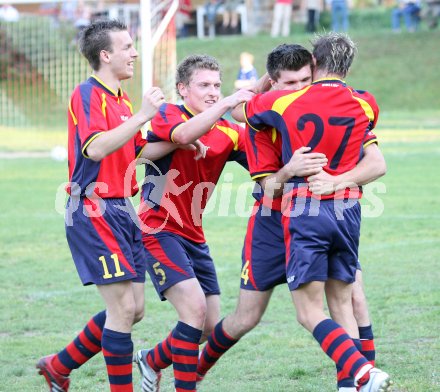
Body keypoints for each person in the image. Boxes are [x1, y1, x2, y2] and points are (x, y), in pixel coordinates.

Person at [196, 43, 386, 392]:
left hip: (318, 212)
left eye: (305, 79)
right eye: (290, 83)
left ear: (315, 71)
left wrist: (334, 181)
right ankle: (194, 370)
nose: (299, 89)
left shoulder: (323, 105)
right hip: (273, 219)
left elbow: (375, 159)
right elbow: (269, 188)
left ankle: (358, 378)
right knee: (246, 317)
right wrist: (289, 169)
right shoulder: (264, 122)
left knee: (348, 299)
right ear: (273, 84)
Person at [35, 19, 195, 392]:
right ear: (105, 55)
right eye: (127, 47)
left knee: (134, 310)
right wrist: (143, 115)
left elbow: (136, 151)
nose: (135, 53)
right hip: (93, 209)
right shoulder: (87, 93)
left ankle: (59, 366)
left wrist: (179, 142)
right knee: (123, 310)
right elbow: (96, 147)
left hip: (123, 209)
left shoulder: (121, 100)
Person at [133, 55, 254, 392]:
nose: (213, 92)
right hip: (156, 226)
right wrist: (229, 102)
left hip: (194, 235)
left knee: (208, 327)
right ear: (183, 89)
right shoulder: (169, 114)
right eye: (204, 85)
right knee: (194, 310)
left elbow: (264, 168)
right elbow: (184, 133)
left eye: (217, 85)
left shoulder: (229, 132)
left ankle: (152, 360)